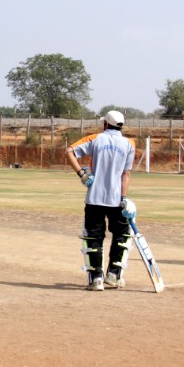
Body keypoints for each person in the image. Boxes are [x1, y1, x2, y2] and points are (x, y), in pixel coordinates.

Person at [66, 111, 136, 291]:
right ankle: (113, 275)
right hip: (116, 199)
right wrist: (124, 198)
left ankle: (96, 279)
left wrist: (82, 174)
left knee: (93, 236)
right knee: (121, 235)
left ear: (105, 124)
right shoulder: (129, 144)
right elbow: (126, 174)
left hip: (94, 197)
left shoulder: (95, 139)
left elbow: (69, 151)